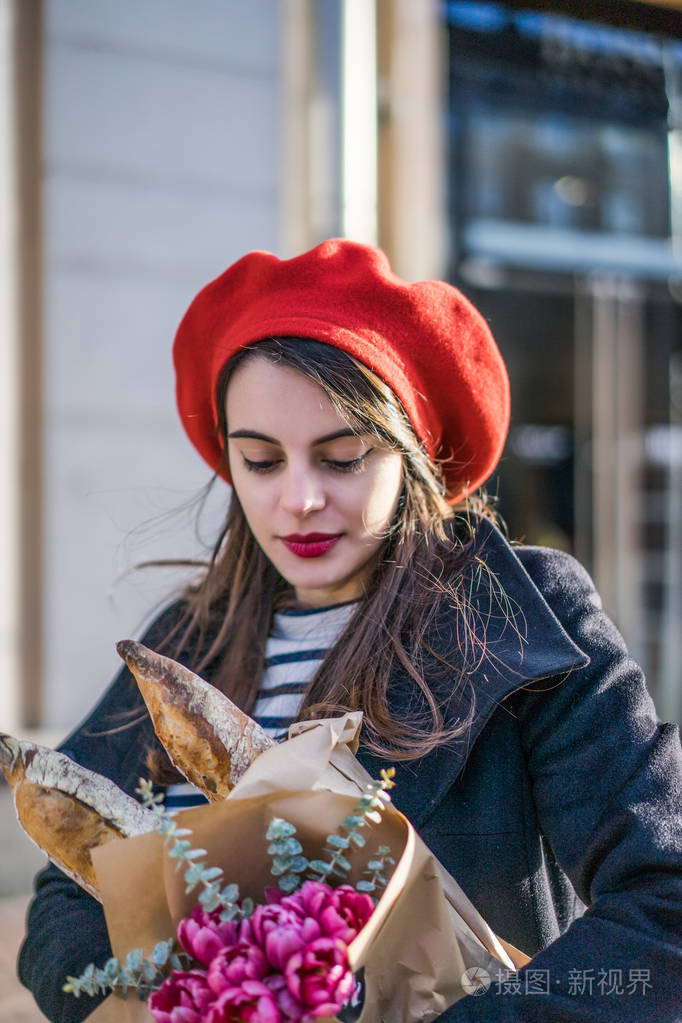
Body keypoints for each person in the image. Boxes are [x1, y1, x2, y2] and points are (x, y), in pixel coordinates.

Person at [18, 239, 682, 1022]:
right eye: (261, 462)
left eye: (341, 458)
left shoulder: (515, 609)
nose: (298, 499)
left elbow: (663, 901)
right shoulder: (185, 642)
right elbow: (68, 890)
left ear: (411, 455)